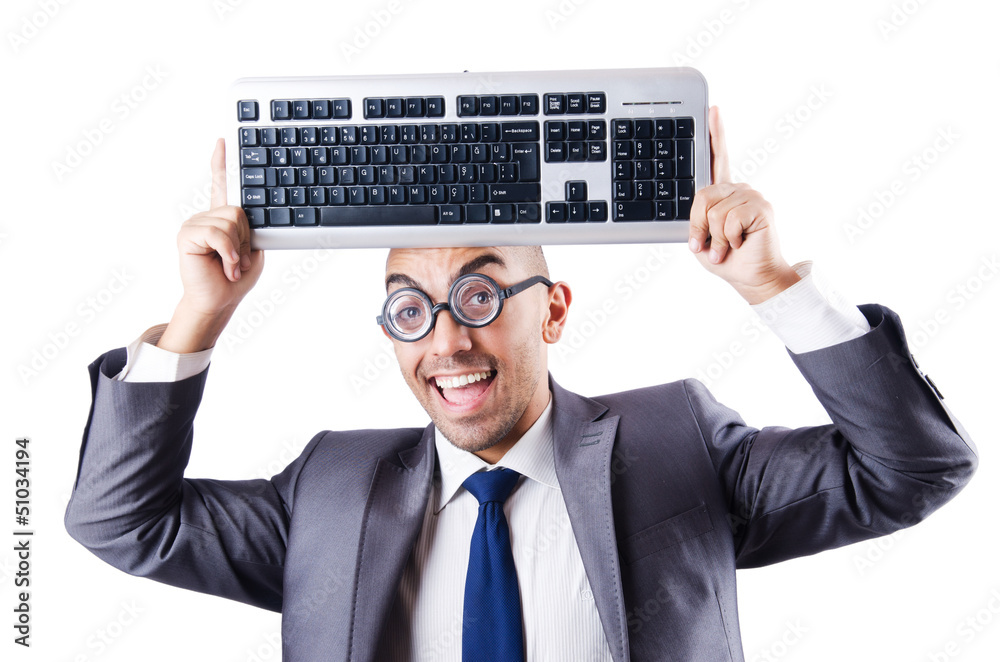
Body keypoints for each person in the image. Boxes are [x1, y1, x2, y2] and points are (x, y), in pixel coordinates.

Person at [65, 107, 977, 661]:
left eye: (481, 294)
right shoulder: (330, 489)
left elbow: (913, 470)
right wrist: (199, 319)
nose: (448, 338)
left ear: (554, 307)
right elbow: (117, 520)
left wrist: (775, 285)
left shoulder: (677, 442)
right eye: (408, 309)